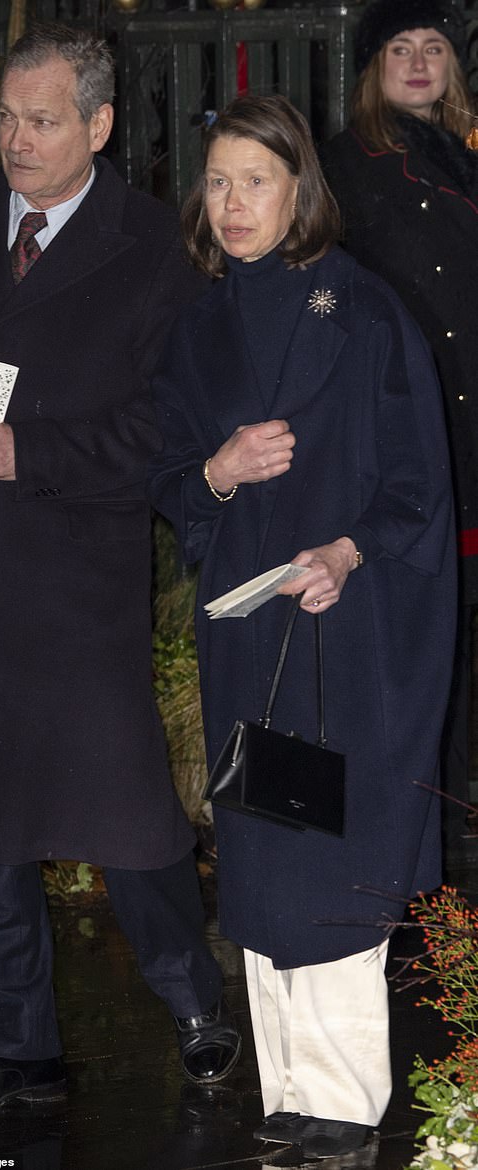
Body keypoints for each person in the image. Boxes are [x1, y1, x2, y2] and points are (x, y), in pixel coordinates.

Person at [0, 22, 241, 1115]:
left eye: (42, 120)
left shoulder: (159, 245)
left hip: (75, 576)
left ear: (100, 126)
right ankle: (11, 1052)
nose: (14, 141)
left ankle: (195, 1007)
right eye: (5, 118)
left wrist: (41, 453)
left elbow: (173, 422)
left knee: (126, 821)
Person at [147, 94, 456, 1160]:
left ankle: (341, 1105)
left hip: (351, 628)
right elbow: (169, 471)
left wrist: (345, 551)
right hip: (248, 634)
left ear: (299, 190)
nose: (232, 204)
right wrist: (215, 476)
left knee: (330, 857)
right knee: (262, 850)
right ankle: (290, 1096)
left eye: (256, 181)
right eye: (218, 181)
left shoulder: (363, 313)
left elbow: (420, 479)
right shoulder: (196, 325)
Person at [321, 0, 478, 863]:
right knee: (418, 654)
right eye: (400, 48)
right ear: (373, 66)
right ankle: (423, 855)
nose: (419, 62)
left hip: (475, 432)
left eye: (435, 48)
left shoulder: (470, 157)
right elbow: (321, 290)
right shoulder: (343, 166)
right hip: (405, 438)